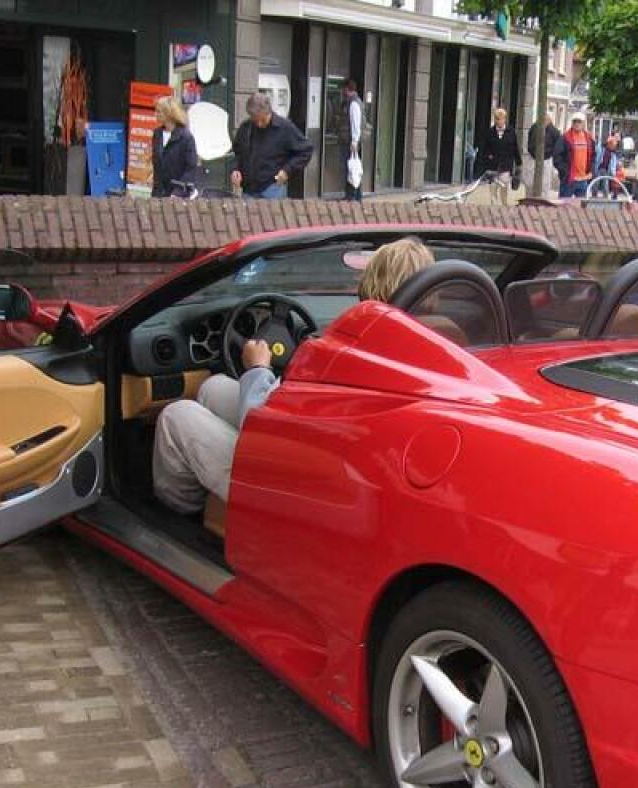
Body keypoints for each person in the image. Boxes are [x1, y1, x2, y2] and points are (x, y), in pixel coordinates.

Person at [152, 238, 436, 515]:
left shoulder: (347, 353)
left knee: (176, 415)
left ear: (370, 286)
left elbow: (265, 426)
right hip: (344, 469)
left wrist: (258, 369)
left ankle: (181, 513)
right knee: (213, 387)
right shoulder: (431, 347)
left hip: (297, 486)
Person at [230, 93, 313, 199]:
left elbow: (306, 150)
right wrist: (235, 169)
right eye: (255, 120)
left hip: (273, 188)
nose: (259, 124)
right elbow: (237, 153)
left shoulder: (285, 128)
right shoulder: (245, 127)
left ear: (269, 112)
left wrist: (287, 170)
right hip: (249, 189)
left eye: (263, 120)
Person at [151, 96, 199, 198]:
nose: (155, 114)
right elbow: (157, 166)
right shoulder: (157, 134)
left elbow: (191, 168)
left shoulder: (186, 137)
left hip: (178, 195)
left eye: (159, 112)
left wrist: (178, 193)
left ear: (169, 113)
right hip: (159, 193)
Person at [476, 107, 521, 204]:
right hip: (492, 165)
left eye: (501, 119)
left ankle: (503, 206)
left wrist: (518, 162)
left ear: (505, 119)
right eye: (497, 119)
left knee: (504, 187)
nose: (499, 121)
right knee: (493, 189)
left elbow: (515, 147)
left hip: (505, 165)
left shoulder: (511, 132)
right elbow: (484, 148)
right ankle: (494, 208)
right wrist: (487, 156)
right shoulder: (490, 132)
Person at [557, 113, 596, 199]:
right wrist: (565, 173)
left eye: (579, 121)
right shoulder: (565, 138)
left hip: (583, 180)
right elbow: (557, 157)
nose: (577, 124)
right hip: (569, 179)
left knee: (581, 208)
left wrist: (591, 171)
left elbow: (593, 156)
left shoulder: (589, 139)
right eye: (575, 121)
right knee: (564, 206)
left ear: (583, 123)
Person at [338, 79, 364, 202]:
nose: (342, 91)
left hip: (350, 142)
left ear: (347, 89)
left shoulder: (353, 104)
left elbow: (355, 124)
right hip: (349, 141)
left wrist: (354, 141)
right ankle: (355, 195)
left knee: (352, 169)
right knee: (353, 168)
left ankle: (353, 196)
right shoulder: (353, 102)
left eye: (343, 89)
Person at [527, 113, 561, 197]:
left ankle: (543, 199)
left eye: (546, 120)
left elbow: (557, 147)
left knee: (545, 183)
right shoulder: (534, 128)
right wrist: (531, 151)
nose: (544, 122)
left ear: (549, 120)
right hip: (532, 158)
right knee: (530, 182)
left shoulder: (555, 132)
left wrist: (548, 154)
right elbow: (529, 141)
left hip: (546, 159)